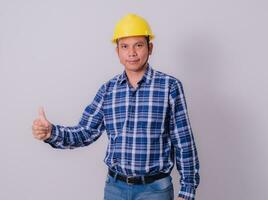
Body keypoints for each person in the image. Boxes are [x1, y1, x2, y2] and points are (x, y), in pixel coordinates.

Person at [32, 13, 200, 200]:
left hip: (155, 190)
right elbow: (85, 132)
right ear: (117, 52)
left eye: (139, 45)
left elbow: (183, 141)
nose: (132, 53)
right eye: (125, 46)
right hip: (115, 189)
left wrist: (187, 190)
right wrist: (51, 133)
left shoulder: (169, 87)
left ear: (150, 48)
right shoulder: (108, 90)